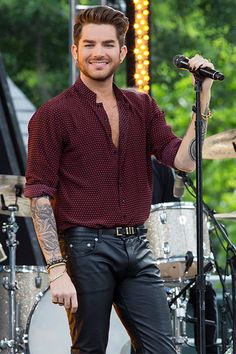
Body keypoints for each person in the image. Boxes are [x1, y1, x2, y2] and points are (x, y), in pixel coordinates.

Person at [24, 5, 215, 354]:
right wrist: (56, 268)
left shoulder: (141, 106)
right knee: (91, 348)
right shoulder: (52, 115)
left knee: (162, 349)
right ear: (75, 50)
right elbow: (38, 195)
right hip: (84, 248)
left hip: (137, 247)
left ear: (122, 51)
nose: (99, 52)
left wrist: (202, 95)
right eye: (90, 44)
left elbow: (183, 160)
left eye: (108, 44)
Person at [151, 157, 218, 354]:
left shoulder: (161, 168)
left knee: (204, 286)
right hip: (128, 255)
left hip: (160, 255)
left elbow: (172, 217)